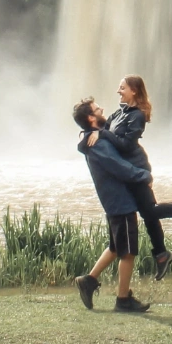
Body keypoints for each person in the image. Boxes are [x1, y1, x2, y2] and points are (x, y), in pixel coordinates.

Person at [90, 75, 172, 278]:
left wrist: (103, 135)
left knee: (150, 211)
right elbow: (104, 129)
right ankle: (161, 254)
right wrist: (90, 133)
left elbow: (126, 144)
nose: (118, 91)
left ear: (134, 91)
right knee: (149, 212)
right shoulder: (119, 113)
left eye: (122, 87)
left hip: (136, 169)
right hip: (127, 171)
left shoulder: (137, 116)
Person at [70, 97, 154, 312]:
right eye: (98, 109)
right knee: (128, 252)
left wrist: (101, 130)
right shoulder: (96, 143)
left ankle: (88, 280)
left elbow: (115, 122)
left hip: (115, 200)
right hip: (120, 201)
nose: (102, 109)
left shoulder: (96, 137)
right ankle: (123, 300)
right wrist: (144, 175)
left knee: (117, 247)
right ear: (91, 117)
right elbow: (118, 167)